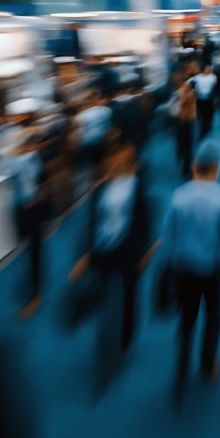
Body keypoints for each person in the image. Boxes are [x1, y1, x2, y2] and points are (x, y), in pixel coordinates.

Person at [160, 141, 220, 403]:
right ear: (215, 169)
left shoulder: (179, 195)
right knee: (213, 318)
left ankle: (181, 371)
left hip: (184, 271)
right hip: (210, 272)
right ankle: (207, 365)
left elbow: (168, 235)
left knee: (186, 322)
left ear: (195, 166)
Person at [69, 139, 151, 383]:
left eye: (118, 158)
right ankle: (106, 347)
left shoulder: (137, 186)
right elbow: (93, 224)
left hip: (127, 254)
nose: (112, 163)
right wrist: (84, 255)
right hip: (103, 252)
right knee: (104, 300)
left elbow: (143, 224)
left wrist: (142, 253)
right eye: (111, 158)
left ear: (127, 161)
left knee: (129, 299)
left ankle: (126, 342)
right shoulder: (101, 188)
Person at [7, 134, 47, 318]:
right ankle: (35, 289)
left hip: (33, 210)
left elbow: (39, 182)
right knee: (31, 250)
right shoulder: (23, 159)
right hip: (23, 210)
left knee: (34, 252)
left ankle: (35, 295)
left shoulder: (28, 159)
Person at [174, 82, 196, 178]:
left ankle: (181, 157)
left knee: (181, 142)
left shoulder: (178, 96)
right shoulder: (191, 96)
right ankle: (187, 167)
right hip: (188, 122)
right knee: (188, 145)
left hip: (180, 122)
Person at [190, 65, 217, 140]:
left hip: (209, 99)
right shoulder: (197, 78)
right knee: (203, 115)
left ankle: (207, 128)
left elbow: (214, 87)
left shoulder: (212, 77)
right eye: (207, 68)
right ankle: (204, 130)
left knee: (209, 115)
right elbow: (190, 85)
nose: (209, 69)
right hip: (200, 100)